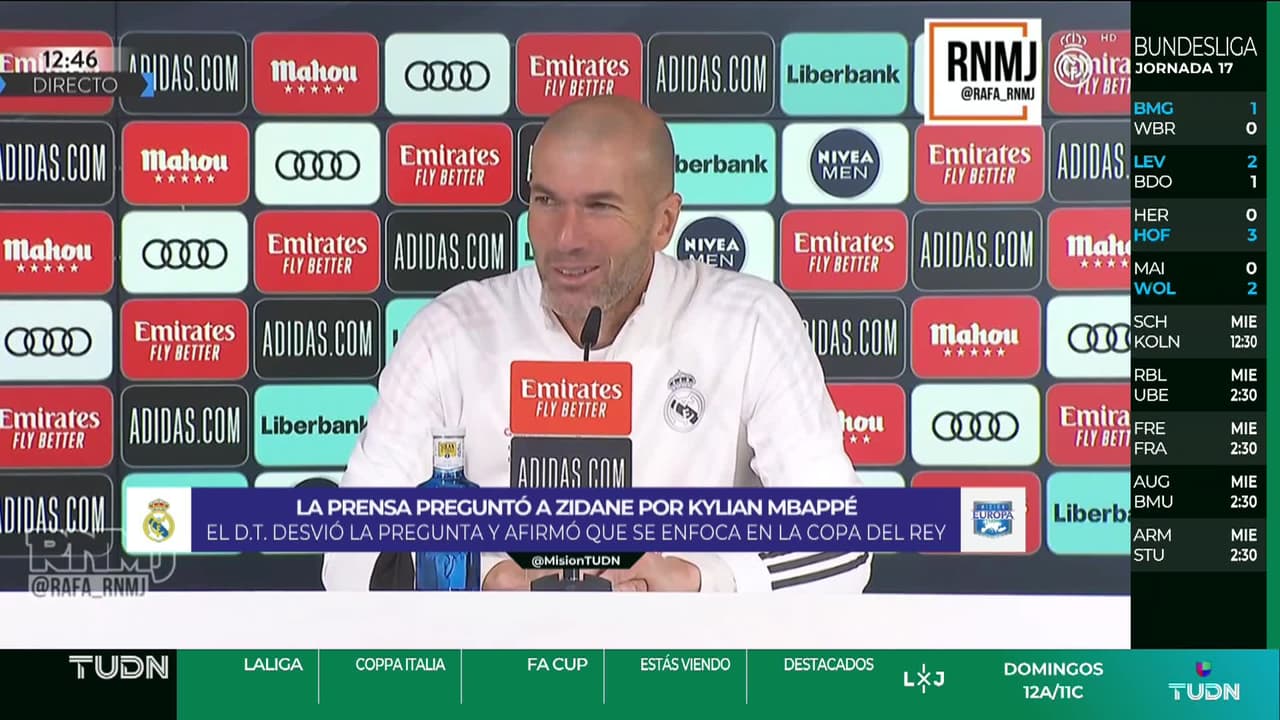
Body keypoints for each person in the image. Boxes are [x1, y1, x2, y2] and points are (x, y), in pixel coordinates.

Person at [322, 95, 871, 593]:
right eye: (546, 201)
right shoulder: (451, 331)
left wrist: (696, 582)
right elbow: (348, 552)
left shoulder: (749, 322)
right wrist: (484, 578)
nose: (566, 238)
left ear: (664, 222)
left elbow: (842, 543)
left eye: (600, 207)